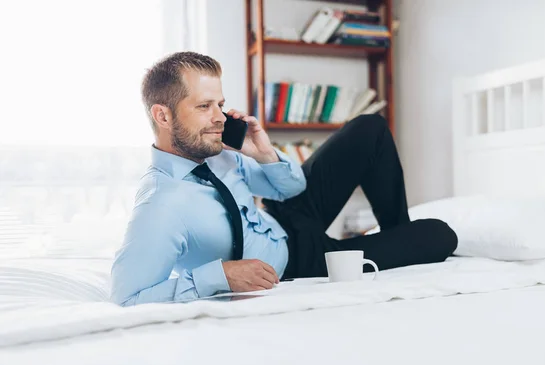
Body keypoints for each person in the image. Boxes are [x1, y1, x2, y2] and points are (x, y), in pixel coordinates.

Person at [110, 52, 457, 306]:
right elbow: (128, 295)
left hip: (286, 216)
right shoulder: (161, 203)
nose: (219, 118)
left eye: (220, 104)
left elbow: (293, 188)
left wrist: (264, 154)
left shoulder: (220, 154)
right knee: (441, 235)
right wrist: (220, 276)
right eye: (204, 107)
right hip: (300, 261)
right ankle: (403, 242)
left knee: (369, 128)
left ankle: (396, 235)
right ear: (163, 115)